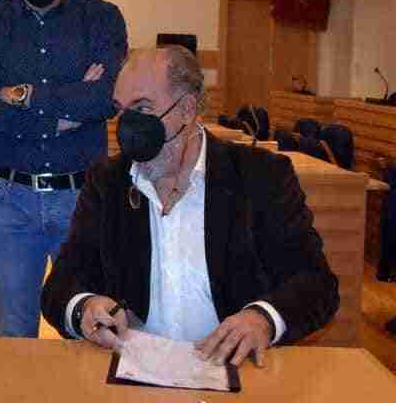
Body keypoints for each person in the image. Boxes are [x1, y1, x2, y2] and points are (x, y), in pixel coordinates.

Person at [41, 46, 339, 367]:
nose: (128, 128)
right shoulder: (108, 181)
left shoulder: (260, 176)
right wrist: (84, 308)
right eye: (121, 111)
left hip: (234, 370)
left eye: (143, 108)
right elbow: (60, 286)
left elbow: (316, 283)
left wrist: (262, 319)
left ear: (187, 109)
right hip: (134, 371)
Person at [0, 0, 128, 338]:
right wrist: (62, 117)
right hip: (7, 202)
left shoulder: (102, 18)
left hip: (84, 198)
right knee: (14, 332)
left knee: (94, 331)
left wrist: (22, 95)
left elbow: (107, 97)